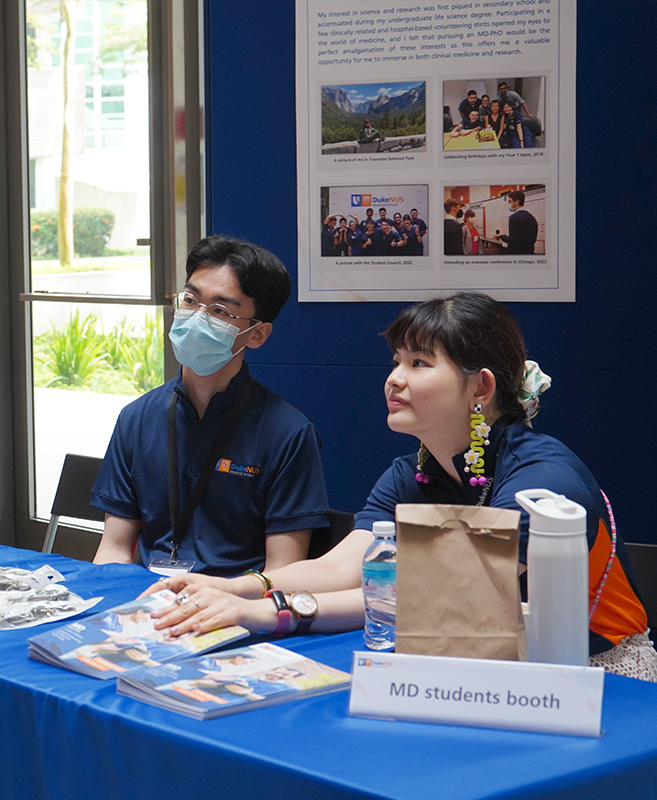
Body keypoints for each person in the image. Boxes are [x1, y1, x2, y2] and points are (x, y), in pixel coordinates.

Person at [146, 293, 657, 681]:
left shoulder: (543, 480)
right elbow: (339, 568)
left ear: (480, 387)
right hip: (468, 663)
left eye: (419, 363)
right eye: (396, 361)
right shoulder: (410, 472)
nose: (394, 378)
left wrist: (268, 614)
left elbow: (426, 595)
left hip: (593, 674)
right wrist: (235, 586)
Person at [90, 235, 329, 577]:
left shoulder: (288, 434)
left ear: (257, 334)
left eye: (219, 311)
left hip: (232, 606)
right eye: (190, 300)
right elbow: (113, 547)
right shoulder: (137, 418)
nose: (197, 317)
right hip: (143, 600)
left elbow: (282, 571)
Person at [496, 190, 538, 254]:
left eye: (510, 201)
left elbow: (513, 241)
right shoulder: (531, 217)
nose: (508, 204)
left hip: (517, 253)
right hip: (529, 252)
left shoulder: (514, 217)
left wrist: (501, 236)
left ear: (517, 202)